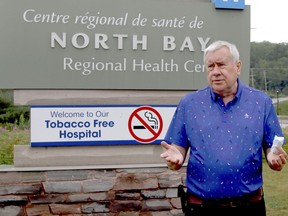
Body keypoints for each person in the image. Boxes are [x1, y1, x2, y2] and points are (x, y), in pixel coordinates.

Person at [160, 40, 287, 216]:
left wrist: (274, 157)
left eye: (221, 65)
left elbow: (272, 147)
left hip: (249, 207)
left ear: (238, 66)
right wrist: (175, 159)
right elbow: (177, 149)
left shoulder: (261, 102)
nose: (216, 72)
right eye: (210, 66)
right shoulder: (190, 104)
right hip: (201, 207)